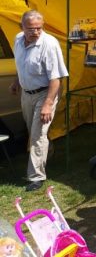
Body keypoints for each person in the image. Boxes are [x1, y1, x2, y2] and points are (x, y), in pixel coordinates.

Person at [9, 10, 68, 192]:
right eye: (31, 29)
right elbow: (23, 64)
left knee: (37, 135)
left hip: (46, 92)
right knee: (34, 130)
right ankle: (47, 152)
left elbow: (55, 78)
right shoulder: (18, 39)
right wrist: (17, 81)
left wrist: (48, 104)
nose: (35, 32)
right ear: (22, 27)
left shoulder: (49, 44)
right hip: (27, 93)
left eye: (39, 28)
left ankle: (36, 177)